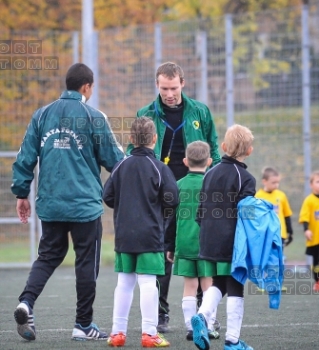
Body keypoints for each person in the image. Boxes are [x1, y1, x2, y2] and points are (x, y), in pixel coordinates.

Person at [11, 63, 124, 341]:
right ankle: (83, 325)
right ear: (87, 87)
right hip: (85, 206)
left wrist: (21, 193)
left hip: (50, 203)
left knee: (48, 255)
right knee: (87, 261)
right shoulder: (93, 116)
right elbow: (115, 161)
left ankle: (26, 302)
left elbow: (24, 158)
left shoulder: (41, 115)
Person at [126, 61, 221, 333]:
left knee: (200, 250)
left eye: (174, 88)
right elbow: (134, 149)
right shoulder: (145, 113)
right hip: (161, 193)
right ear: (157, 85)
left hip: (194, 192)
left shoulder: (200, 111)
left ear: (182, 84)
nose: (169, 93)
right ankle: (160, 312)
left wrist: (209, 179)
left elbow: (213, 147)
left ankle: (204, 314)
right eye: (164, 88)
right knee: (163, 251)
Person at [103, 117, 179, 347]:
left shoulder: (121, 166)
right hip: (151, 235)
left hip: (125, 235)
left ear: (131, 139)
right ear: (154, 139)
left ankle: (117, 333)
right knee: (148, 282)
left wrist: (127, 205)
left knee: (124, 282)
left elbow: (107, 196)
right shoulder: (159, 168)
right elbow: (173, 199)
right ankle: (149, 333)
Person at [191, 124, 256, 350]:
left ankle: (201, 315)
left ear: (224, 147)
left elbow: (201, 209)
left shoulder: (210, 173)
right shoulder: (246, 178)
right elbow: (247, 216)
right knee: (236, 284)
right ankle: (232, 340)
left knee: (220, 281)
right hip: (232, 241)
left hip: (208, 238)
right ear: (249, 151)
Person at [167, 141, 220, 341]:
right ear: (209, 161)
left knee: (189, 285)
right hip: (208, 245)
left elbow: (170, 219)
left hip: (184, 244)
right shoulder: (213, 184)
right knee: (209, 285)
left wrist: (170, 245)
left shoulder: (177, 185)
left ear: (185, 161)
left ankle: (191, 327)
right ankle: (209, 325)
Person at [255, 167, 293, 249]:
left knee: (277, 260)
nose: (276, 185)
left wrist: (290, 232)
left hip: (279, 234)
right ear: (264, 181)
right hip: (264, 234)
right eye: (273, 182)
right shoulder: (257, 197)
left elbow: (287, 215)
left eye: (278, 182)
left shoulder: (281, 195)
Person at [299, 170, 319, 292]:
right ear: (311, 185)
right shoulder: (309, 200)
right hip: (315, 239)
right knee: (317, 263)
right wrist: (306, 230)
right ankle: (317, 282)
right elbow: (304, 216)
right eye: (317, 182)